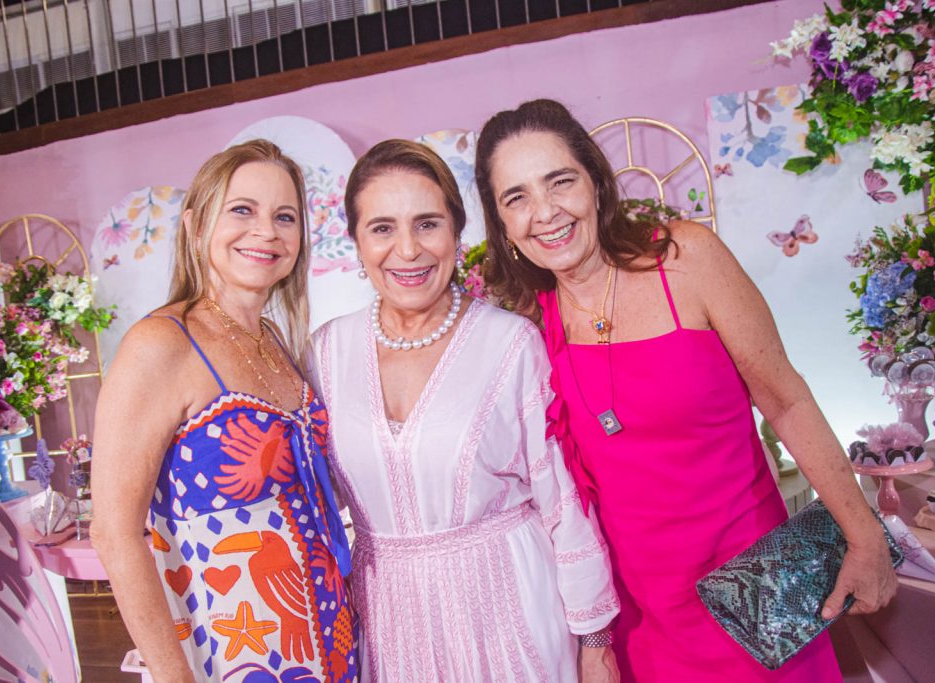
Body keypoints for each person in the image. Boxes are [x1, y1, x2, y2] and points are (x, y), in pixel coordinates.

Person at [474, 99, 898, 683]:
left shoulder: (686, 258)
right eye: (515, 198)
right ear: (502, 225)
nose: (544, 212)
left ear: (596, 185)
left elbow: (786, 400)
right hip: (639, 622)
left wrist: (864, 537)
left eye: (560, 182)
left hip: (758, 596)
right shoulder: (524, 324)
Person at [308, 139, 620, 682]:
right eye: (382, 228)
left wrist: (595, 639)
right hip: (388, 622)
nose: (408, 250)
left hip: (509, 609)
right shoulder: (325, 353)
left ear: (456, 231)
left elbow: (562, 498)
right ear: (356, 241)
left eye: (427, 224)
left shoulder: (511, 343)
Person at [91, 140, 357, 683]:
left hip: (325, 634)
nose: (266, 231)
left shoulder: (275, 339)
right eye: (242, 210)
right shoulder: (160, 344)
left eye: (285, 216)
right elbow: (113, 532)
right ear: (195, 224)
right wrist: (172, 675)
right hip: (230, 648)